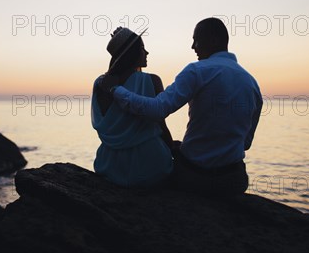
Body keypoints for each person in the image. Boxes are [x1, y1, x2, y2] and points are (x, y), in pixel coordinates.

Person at [100, 18, 262, 196]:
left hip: (195, 177)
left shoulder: (197, 71)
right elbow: (245, 143)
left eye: (196, 40)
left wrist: (115, 89)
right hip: (234, 180)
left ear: (214, 40)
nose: (193, 47)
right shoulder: (252, 83)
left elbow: (157, 110)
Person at [91, 27, 173, 188]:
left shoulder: (100, 83)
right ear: (132, 53)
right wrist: (172, 149)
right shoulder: (152, 80)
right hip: (150, 164)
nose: (147, 52)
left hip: (109, 165)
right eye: (142, 48)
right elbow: (161, 126)